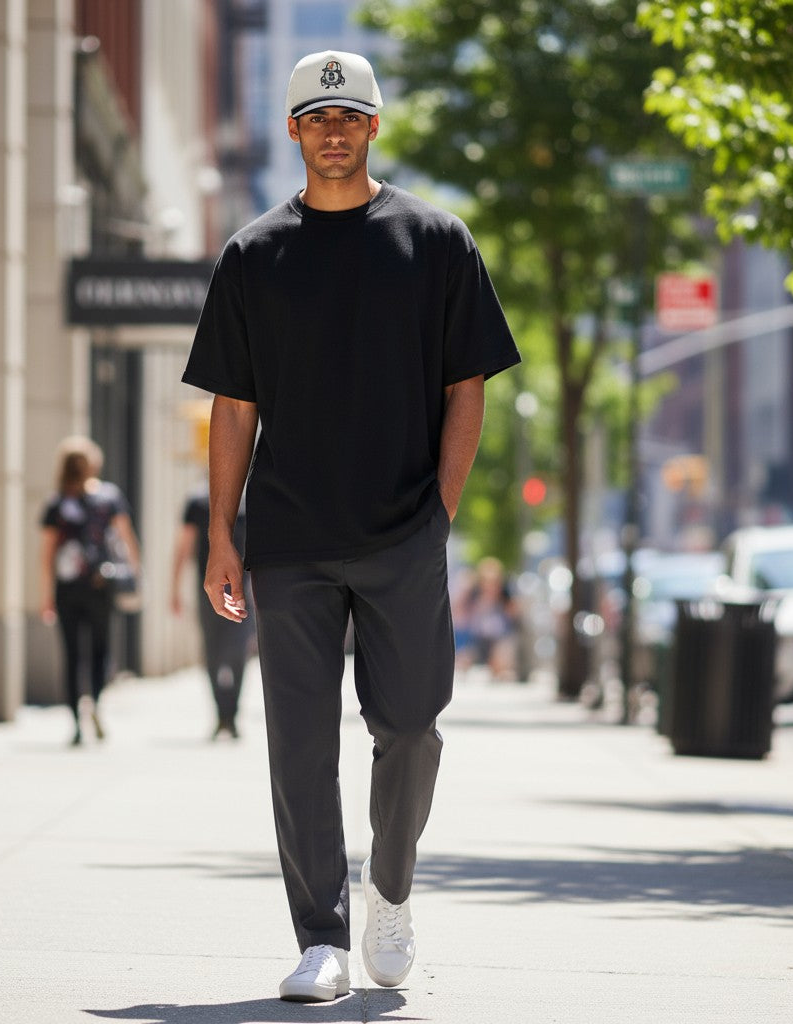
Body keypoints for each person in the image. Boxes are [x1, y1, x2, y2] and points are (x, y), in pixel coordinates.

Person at [182, 50, 520, 1002]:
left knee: (410, 726)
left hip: (402, 533)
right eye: (315, 117)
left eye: (350, 116)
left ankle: (394, 894)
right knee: (298, 742)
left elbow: (468, 388)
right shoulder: (253, 255)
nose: (333, 130)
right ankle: (321, 937)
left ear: (373, 127)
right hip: (287, 536)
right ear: (293, 132)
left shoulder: (437, 240)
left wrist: (439, 512)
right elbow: (234, 406)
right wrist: (222, 536)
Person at [39, 436, 140, 746]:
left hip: (68, 588)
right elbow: (127, 540)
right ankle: (95, 703)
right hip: (101, 585)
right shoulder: (108, 498)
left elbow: (46, 555)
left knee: (72, 655)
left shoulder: (57, 504)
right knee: (100, 649)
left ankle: (75, 724)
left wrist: (46, 596)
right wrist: (135, 576)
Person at [170, 482, 252, 739]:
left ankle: (232, 714)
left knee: (238, 651)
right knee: (213, 652)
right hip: (208, 590)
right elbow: (184, 547)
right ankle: (221, 714)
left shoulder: (248, 501)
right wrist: (174, 589)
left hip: (243, 591)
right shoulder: (197, 502)